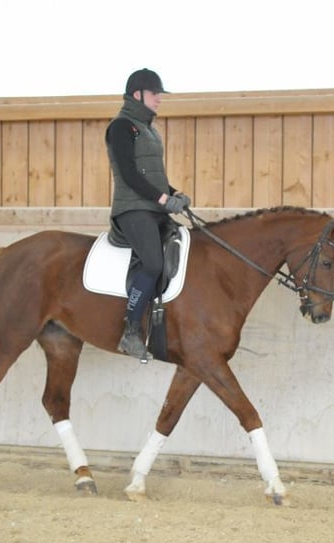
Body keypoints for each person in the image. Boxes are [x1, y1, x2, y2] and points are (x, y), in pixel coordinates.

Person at [105, 68, 191, 359]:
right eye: (155, 94)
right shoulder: (121, 127)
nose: (159, 100)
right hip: (132, 209)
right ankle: (130, 331)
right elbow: (129, 174)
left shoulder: (150, 130)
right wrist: (163, 198)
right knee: (153, 263)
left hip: (153, 207)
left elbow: (154, 177)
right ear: (138, 94)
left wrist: (174, 194)